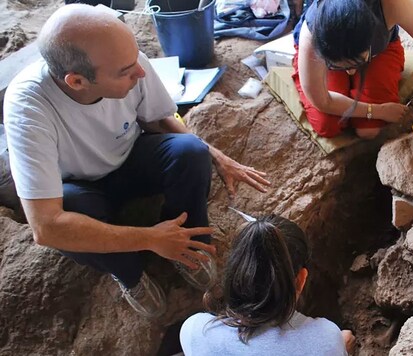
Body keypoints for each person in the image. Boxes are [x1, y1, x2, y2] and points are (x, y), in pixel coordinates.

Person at [3, 4, 271, 318]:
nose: (141, 72)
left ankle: (188, 245)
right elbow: (45, 227)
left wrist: (215, 154)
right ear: (77, 81)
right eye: (125, 71)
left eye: (135, 59)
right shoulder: (28, 108)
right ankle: (130, 273)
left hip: (130, 158)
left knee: (191, 152)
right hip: (81, 185)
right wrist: (151, 238)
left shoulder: (127, 61)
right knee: (72, 212)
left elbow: (161, 119)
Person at [180, 215, 355, 355]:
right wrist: (340, 346)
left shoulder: (197, 331)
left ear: (235, 271)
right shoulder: (327, 338)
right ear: (301, 279)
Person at [292, 0, 413, 141]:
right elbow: (323, 101)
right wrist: (376, 110)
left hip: (378, 52)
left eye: (357, 63)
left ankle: (352, 63)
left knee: (369, 130)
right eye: (341, 66)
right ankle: (342, 66)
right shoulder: (312, 35)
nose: (351, 72)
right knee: (327, 125)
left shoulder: (391, 6)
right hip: (334, 50)